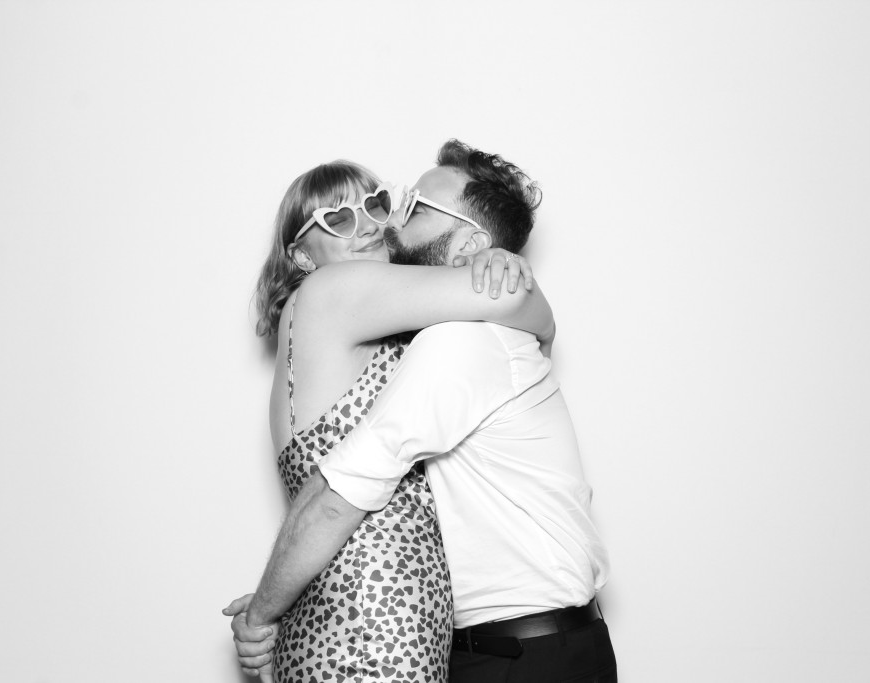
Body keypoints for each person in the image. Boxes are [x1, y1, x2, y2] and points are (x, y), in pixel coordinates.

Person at [231, 140, 617, 683]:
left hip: (427, 630)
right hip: (376, 625)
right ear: (300, 255)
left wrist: (275, 603)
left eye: (380, 206)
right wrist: (266, 611)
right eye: (338, 218)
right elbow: (335, 499)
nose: (374, 226)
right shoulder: (340, 292)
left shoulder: (436, 338)